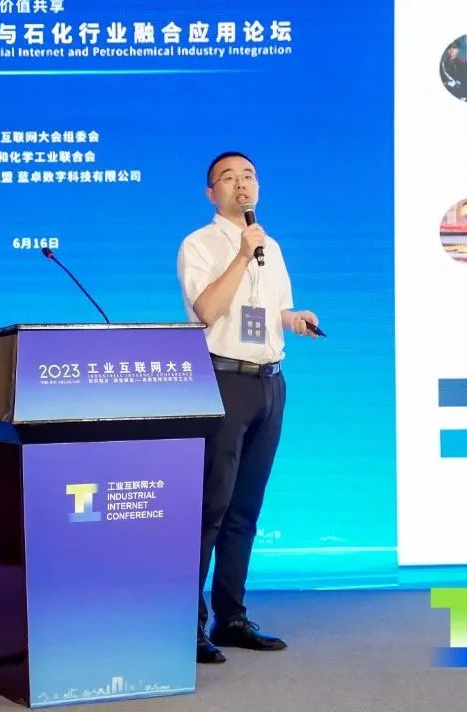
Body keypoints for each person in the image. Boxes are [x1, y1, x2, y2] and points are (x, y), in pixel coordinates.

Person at [176, 151, 320, 664]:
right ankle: (184, 625)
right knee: (210, 506)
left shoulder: (271, 246)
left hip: (269, 383)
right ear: (211, 192)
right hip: (223, 382)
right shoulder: (199, 244)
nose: (242, 184)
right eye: (229, 178)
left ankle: (231, 617)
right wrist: (240, 255)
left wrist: (292, 319)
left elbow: (264, 312)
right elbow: (207, 312)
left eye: (249, 176)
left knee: (245, 509)